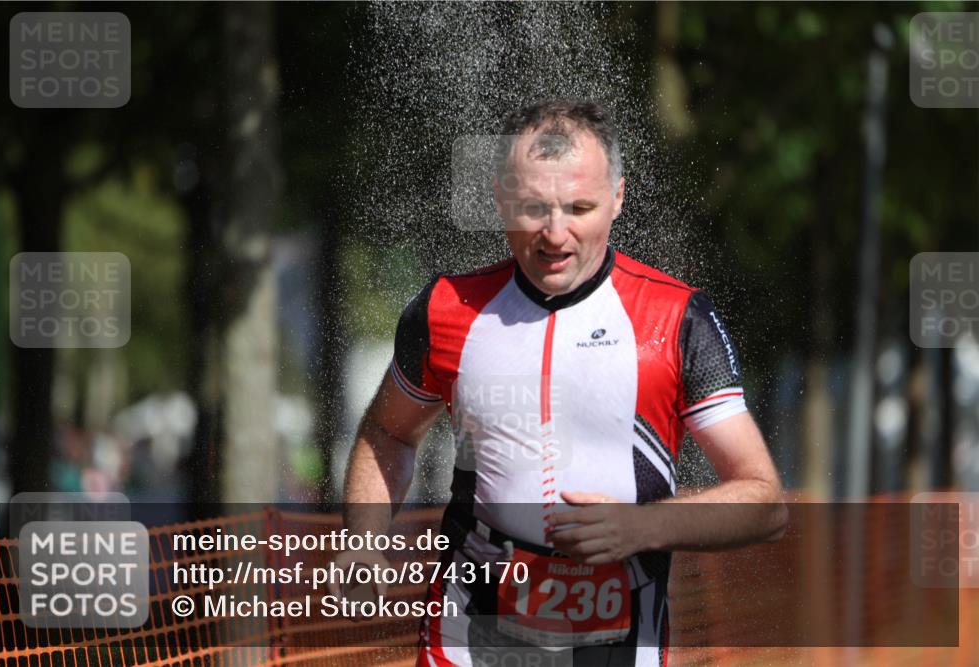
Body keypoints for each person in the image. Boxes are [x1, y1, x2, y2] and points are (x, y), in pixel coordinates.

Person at [336, 99, 788, 667]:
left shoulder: (675, 319)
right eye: (533, 208)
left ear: (618, 198)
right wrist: (363, 539)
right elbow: (388, 432)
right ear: (499, 198)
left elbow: (764, 502)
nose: (555, 234)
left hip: (617, 641)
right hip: (469, 632)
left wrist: (642, 526)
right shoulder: (445, 309)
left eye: (580, 207)